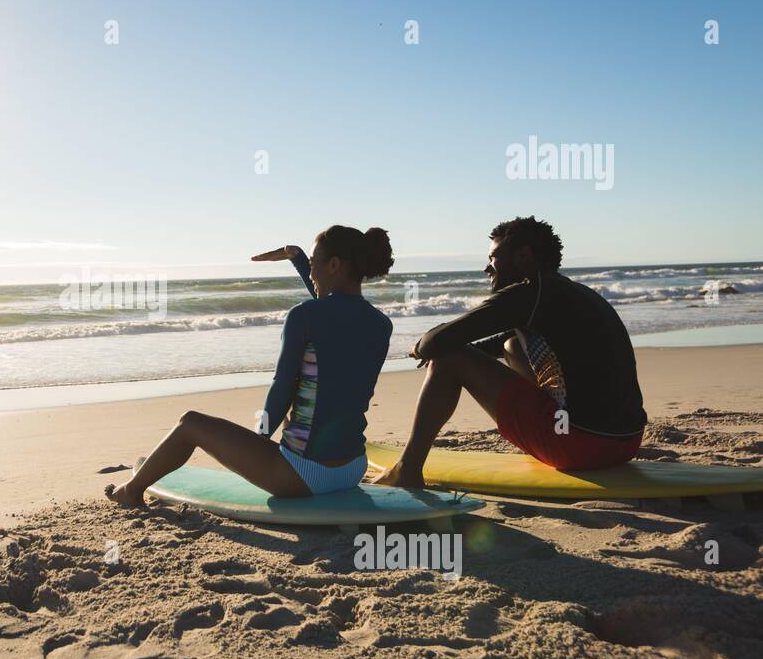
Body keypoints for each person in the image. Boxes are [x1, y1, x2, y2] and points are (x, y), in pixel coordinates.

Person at [104, 226, 394, 507]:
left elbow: (283, 386)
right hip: (352, 469)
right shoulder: (381, 325)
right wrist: (298, 257)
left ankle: (130, 491)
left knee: (190, 423)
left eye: (314, 264)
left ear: (333, 265)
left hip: (302, 475)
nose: (310, 274)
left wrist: (258, 442)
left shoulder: (303, 317)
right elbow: (336, 311)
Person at [374, 216, 646, 489]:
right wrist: (464, 353)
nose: (486, 268)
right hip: (625, 443)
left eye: (493, 258)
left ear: (523, 256)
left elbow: (437, 341)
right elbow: (498, 343)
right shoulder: (570, 292)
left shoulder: (529, 293)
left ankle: (407, 469)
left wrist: (419, 348)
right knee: (512, 345)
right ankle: (541, 428)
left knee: (448, 357)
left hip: (579, 446)